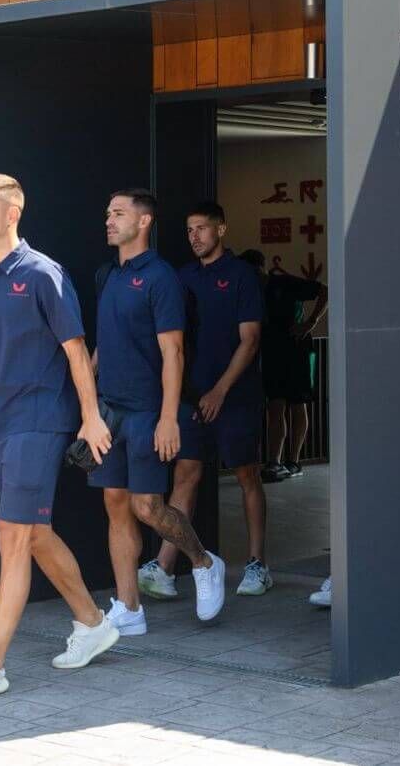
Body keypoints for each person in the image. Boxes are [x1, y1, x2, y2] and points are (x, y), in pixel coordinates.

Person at [0, 174, 120, 704]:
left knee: (11, 536)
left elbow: (76, 350)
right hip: (0, 423)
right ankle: (92, 622)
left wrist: (90, 417)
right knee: (33, 532)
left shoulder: (41, 274)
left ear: (12, 214)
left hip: (41, 420)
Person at [90, 189, 226, 636]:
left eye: (118, 213)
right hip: (110, 412)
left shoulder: (161, 278)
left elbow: (174, 353)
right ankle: (129, 607)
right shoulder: (107, 275)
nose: (109, 220)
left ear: (143, 222)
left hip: (148, 410)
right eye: (109, 213)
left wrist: (169, 418)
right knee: (115, 503)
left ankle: (203, 562)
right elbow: (101, 346)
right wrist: (88, 407)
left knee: (147, 506)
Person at [139, 203, 269, 602]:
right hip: (192, 399)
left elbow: (250, 340)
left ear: (221, 230)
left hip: (236, 396)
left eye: (202, 228)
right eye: (189, 229)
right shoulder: (181, 278)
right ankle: (163, 566)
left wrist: (221, 390)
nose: (194, 236)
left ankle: (256, 564)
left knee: (247, 475)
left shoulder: (242, 275)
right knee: (185, 475)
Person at [238, 249, 327, 483]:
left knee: (298, 404)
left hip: (297, 349)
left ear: (260, 269)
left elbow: (324, 291)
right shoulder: (250, 294)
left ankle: (294, 461)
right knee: (275, 406)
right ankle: (274, 461)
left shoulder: (284, 283)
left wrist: (310, 322)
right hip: (271, 353)